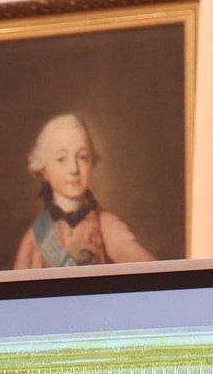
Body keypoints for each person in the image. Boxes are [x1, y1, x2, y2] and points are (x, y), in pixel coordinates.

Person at [11, 112, 156, 269]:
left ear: (92, 162)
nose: (74, 169)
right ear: (44, 170)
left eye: (82, 157)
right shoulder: (36, 236)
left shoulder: (105, 224)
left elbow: (147, 266)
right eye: (61, 159)